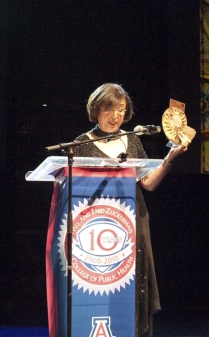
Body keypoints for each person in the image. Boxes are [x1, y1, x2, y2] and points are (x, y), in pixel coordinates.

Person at [71, 83, 191, 337]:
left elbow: (148, 183)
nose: (116, 116)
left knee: (133, 286)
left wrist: (171, 157)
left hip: (133, 220)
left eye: (121, 110)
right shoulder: (79, 144)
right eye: (109, 109)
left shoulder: (131, 139)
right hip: (96, 227)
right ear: (96, 109)